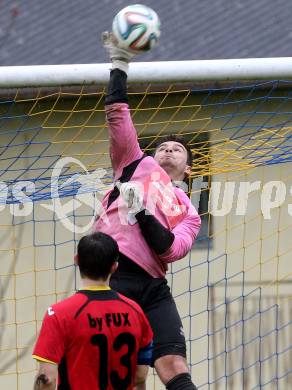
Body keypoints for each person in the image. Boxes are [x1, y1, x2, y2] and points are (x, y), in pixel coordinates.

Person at [93, 33, 202, 390]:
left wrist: (142, 213)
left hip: (153, 285)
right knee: (123, 374)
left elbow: (169, 249)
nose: (169, 150)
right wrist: (120, 64)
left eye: (178, 149)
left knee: (172, 364)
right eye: (163, 147)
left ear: (188, 169)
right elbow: (117, 114)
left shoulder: (189, 211)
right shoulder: (134, 163)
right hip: (113, 274)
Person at [32, 232, 153, 390]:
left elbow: (47, 378)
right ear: (114, 266)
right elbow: (140, 377)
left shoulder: (59, 314)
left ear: (76, 260)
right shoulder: (136, 312)